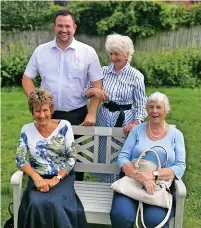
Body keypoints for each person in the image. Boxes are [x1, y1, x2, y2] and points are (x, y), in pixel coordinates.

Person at [22, 9, 104, 180]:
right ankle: (43, 189)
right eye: (60, 26)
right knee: (44, 156)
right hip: (48, 115)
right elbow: (27, 78)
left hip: (77, 114)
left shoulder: (87, 52)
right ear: (54, 27)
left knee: (75, 159)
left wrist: (92, 112)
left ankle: (73, 195)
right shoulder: (41, 51)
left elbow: (97, 84)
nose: (63, 30)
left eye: (67, 26)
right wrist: (36, 102)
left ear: (74, 28)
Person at [110, 92, 186, 228]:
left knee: (154, 220)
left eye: (158, 107)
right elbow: (123, 157)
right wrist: (139, 176)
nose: (154, 111)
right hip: (132, 179)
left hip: (159, 184)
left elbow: (179, 166)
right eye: (151, 107)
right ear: (146, 109)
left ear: (166, 110)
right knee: (121, 215)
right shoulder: (137, 130)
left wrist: (152, 176)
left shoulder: (176, 135)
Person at [16, 88, 87, 228]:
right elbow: (20, 159)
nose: (42, 115)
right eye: (37, 111)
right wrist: (36, 178)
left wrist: (56, 179)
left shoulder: (64, 126)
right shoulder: (26, 129)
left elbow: (72, 157)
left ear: (51, 109)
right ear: (32, 112)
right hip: (37, 178)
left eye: (45, 110)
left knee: (57, 204)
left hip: (62, 177)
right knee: (35, 203)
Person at [83, 33, 147, 183]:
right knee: (103, 150)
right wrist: (94, 91)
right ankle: (103, 183)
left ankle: (121, 184)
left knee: (122, 153)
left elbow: (141, 103)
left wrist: (136, 123)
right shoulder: (103, 71)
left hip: (125, 120)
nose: (113, 58)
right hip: (104, 117)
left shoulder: (136, 76)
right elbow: (84, 91)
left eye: (116, 54)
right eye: (111, 54)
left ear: (126, 54)